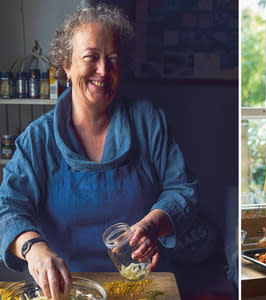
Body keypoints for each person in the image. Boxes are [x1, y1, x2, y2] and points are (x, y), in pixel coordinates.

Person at [0, 4, 200, 299]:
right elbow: (8, 207)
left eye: (113, 60)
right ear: (66, 65)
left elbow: (182, 190)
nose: (103, 71)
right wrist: (34, 249)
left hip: (143, 285)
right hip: (68, 289)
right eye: (91, 57)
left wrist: (152, 224)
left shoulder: (148, 121)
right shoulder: (37, 139)